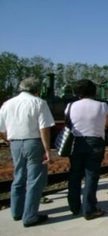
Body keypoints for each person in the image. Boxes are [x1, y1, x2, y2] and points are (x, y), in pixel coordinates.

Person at [0, 77, 55, 227]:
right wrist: (47, 150)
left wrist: (8, 140)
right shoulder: (39, 103)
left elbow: (1, 129)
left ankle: (16, 212)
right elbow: (44, 128)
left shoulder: (7, 104)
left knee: (18, 177)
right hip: (34, 143)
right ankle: (30, 216)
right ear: (37, 90)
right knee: (34, 180)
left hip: (15, 143)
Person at [66, 79, 108, 220]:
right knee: (91, 176)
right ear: (94, 91)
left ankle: (74, 207)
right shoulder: (103, 106)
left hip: (76, 142)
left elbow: (68, 125)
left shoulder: (70, 106)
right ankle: (89, 209)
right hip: (95, 143)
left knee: (75, 174)